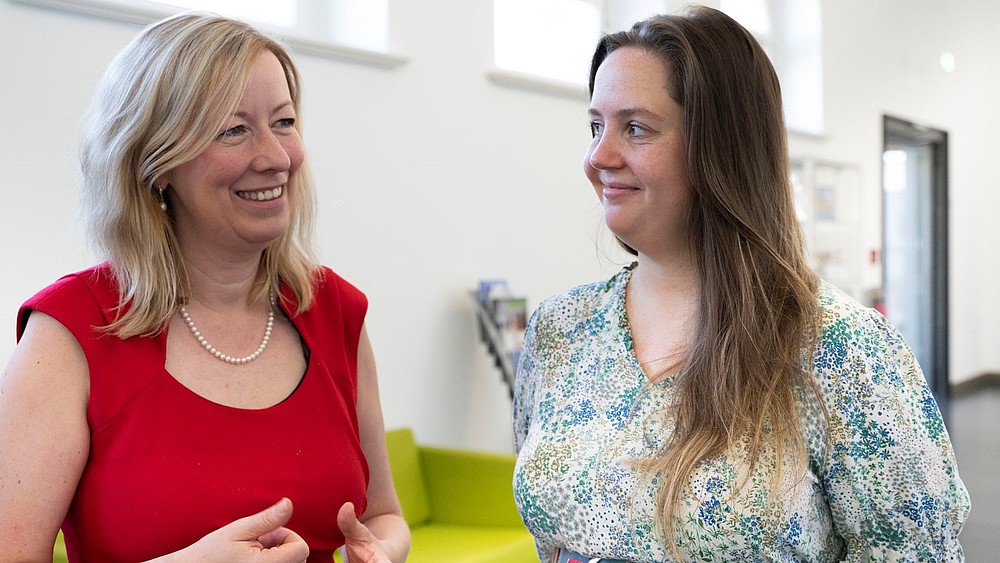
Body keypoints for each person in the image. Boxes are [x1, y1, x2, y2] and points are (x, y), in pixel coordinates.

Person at [512, 6, 970, 562]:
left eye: (635, 128)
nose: (598, 157)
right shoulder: (560, 332)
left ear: (720, 147)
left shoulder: (844, 351)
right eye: (595, 126)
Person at [0, 12, 410, 563]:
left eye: (284, 122)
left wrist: (383, 550)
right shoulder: (71, 332)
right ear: (155, 163)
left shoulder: (334, 310)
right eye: (233, 130)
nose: (274, 157)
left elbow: (383, 514)